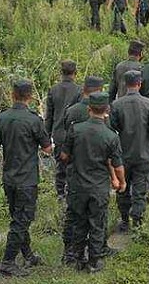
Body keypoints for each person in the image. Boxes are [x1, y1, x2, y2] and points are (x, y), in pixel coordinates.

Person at [0, 80, 52, 277]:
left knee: (18, 217)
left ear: (13, 95)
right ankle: (7, 262)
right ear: (30, 97)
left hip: (9, 178)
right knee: (22, 220)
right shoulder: (34, 120)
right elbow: (47, 149)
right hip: (27, 180)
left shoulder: (2, 117)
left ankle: (28, 254)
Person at [60, 91, 125, 273]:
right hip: (98, 187)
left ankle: (78, 258)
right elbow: (117, 165)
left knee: (78, 222)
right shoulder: (111, 136)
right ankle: (95, 261)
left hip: (77, 185)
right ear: (107, 110)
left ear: (89, 109)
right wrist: (121, 181)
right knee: (97, 223)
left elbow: (64, 155)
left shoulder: (75, 129)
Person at [110, 70, 149, 231]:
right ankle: (138, 222)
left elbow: (113, 129)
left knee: (122, 189)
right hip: (144, 155)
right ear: (139, 84)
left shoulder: (117, 104)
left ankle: (125, 220)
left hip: (123, 155)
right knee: (141, 191)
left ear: (125, 84)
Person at [45, 60, 82, 200]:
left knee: (60, 167)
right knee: (74, 166)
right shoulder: (79, 90)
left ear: (61, 72)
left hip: (59, 134)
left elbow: (49, 116)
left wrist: (46, 137)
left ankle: (60, 194)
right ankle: (72, 193)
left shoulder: (53, 90)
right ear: (75, 73)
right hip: (74, 134)